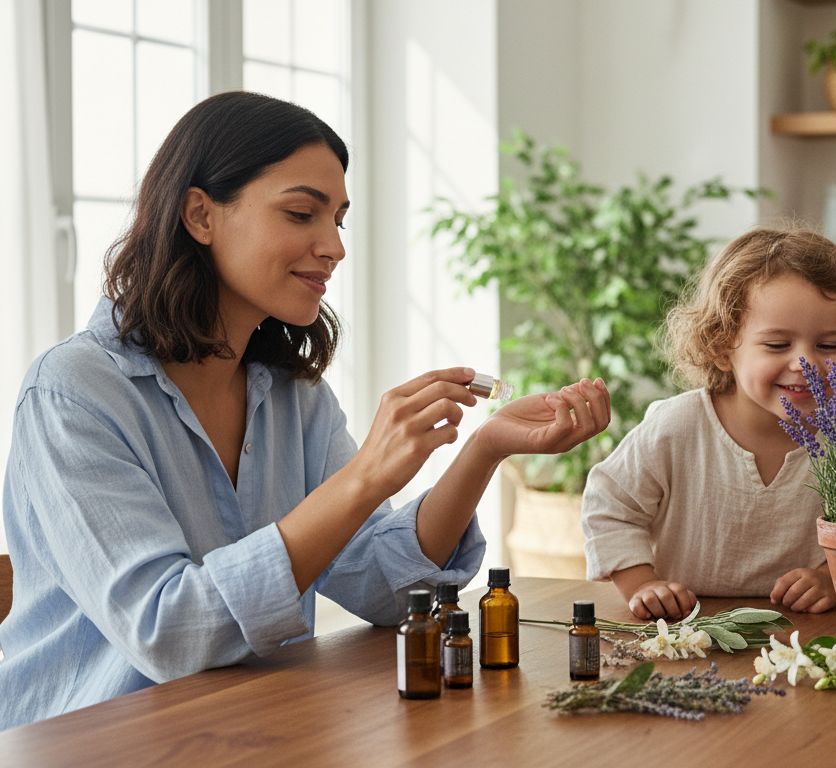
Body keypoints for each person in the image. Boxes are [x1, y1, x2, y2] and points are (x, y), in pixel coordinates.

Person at [0, 92, 610, 729]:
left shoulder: (294, 396)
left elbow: (383, 586)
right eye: (301, 213)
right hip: (93, 743)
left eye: (339, 221)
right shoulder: (72, 394)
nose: (335, 247)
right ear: (200, 215)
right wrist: (364, 476)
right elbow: (170, 632)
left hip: (257, 734)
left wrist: (485, 449)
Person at [582, 228, 836, 620]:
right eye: (777, 345)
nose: (805, 363)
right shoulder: (678, 426)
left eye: (828, 346)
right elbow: (609, 504)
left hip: (808, 630)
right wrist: (642, 584)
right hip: (686, 627)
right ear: (722, 347)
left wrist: (831, 578)